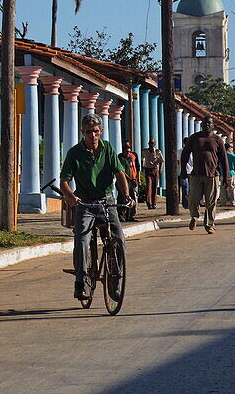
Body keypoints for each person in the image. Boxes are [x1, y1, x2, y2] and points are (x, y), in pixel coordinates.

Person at [60, 114, 132, 300]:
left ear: (101, 132)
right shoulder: (74, 153)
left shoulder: (107, 148)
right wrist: (71, 196)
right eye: (88, 132)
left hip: (107, 201)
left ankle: (115, 282)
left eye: (96, 131)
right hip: (86, 203)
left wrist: (126, 196)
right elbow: (64, 182)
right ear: (82, 133)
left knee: (119, 240)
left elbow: (120, 174)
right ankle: (81, 282)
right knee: (82, 240)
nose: (93, 135)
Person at [180, 116, 229, 234]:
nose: (207, 125)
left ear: (213, 125)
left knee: (211, 201)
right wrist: (183, 170)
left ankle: (209, 225)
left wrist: (226, 177)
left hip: (212, 175)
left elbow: (224, 159)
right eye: (205, 123)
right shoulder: (194, 138)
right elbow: (185, 154)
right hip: (196, 174)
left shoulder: (217, 140)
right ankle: (194, 217)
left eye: (209, 123)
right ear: (201, 125)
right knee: (193, 198)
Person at [118, 141, 140, 222]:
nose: (128, 153)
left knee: (132, 199)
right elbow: (122, 171)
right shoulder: (121, 159)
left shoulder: (131, 158)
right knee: (122, 199)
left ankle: (130, 215)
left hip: (131, 183)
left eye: (129, 152)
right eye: (127, 152)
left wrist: (136, 178)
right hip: (122, 183)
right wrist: (129, 178)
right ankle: (121, 216)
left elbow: (136, 168)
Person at [140, 138, 162, 210]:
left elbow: (161, 160)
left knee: (154, 187)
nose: (151, 145)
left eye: (152, 143)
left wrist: (160, 170)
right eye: (150, 143)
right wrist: (143, 166)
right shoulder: (145, 151)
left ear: (154, 144)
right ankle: (149, 203)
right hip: (148, 170)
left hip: (155, 169)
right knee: (149, 186)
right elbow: (142, 159)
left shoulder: (157, 152)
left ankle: (154, 203)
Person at [224, 142, 235, 207]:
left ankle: (223, 202)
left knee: (223, 188)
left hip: (223, 173)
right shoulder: (230, 155)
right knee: (232, 188)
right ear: (228, 148)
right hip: (231, 172)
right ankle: (233, 202)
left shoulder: (222, 155)